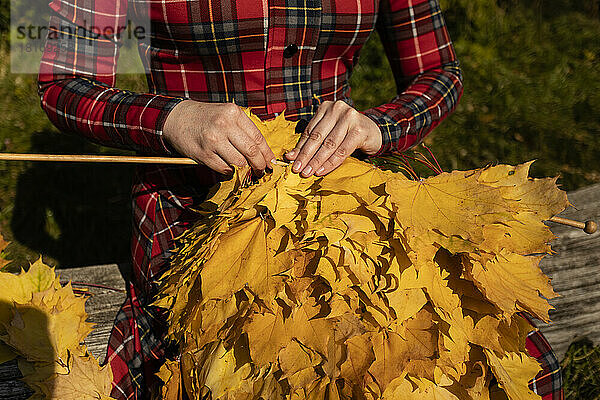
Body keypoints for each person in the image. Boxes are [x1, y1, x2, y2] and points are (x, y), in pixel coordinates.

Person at [37, 0, 562, 399]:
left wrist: (378, 127)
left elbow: (442, 71)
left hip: (347, 196)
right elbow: (57, 81)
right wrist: (174, 118)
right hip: (196, 208)